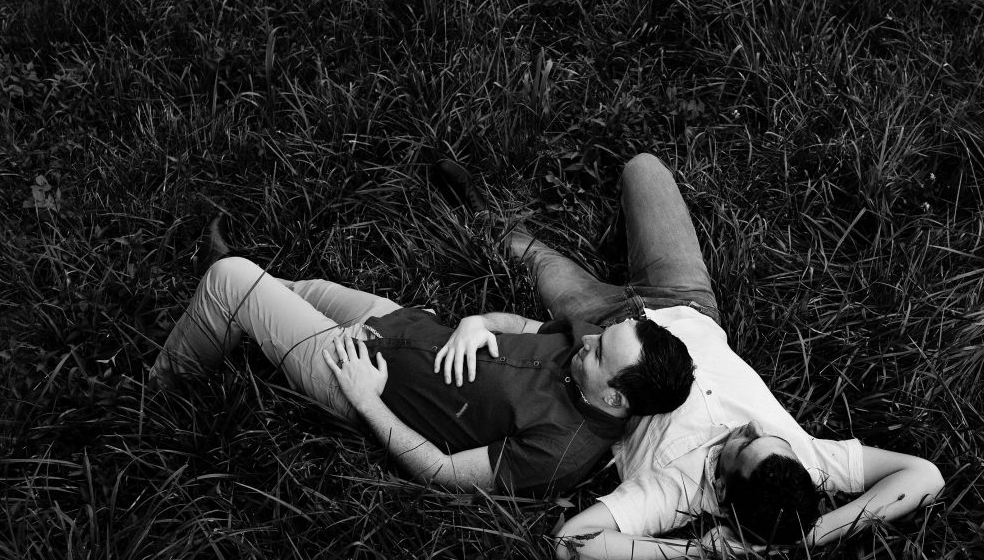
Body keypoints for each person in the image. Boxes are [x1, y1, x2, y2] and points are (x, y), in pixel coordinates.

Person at [446, 152, 943, 560]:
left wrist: (699, 552)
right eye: (767, 436)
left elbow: (571, 542)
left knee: (528, 253)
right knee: (644, 168)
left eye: (743, 445)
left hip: (596, 331)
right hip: (683, 298)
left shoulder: (675, 491)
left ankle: (485, 211)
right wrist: (810, 536)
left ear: (722, 492)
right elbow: (926, 475)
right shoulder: (805, 460)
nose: (749, 428)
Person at [149, 199, 696, 498]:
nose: (589, 339)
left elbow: (440, 470)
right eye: (600, 335)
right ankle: (227, 307)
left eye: (599, 353)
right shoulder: (592, 352)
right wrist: (476, 323)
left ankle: (160, 390)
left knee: (232, 281)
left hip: (353, 369)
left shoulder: (560, 453)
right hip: (396, 321)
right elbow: (524, 324)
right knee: (295, 291)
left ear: (615, 399)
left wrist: (366, 400)